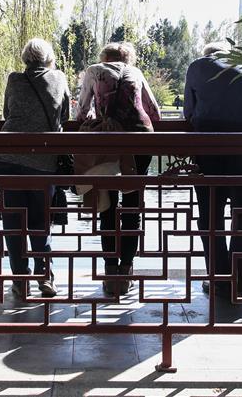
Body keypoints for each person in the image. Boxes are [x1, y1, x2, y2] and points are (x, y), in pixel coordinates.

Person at [76, 42, 160, 296]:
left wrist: (92, 118)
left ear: (104, 57)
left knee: (107, 206)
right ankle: (127, 270)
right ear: (128, 58)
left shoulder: (95, 71)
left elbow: (81, 111)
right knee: (133, 206)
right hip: (140, 143)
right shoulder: (136, 73)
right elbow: (155, 112)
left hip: (109, 141)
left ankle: (111, 272)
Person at [0, 38, 70, 300]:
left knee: (13, 222)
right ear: (48, 57)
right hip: (43, 161)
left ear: (25, 58)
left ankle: (20, 280)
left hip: (7, 159)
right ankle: (45, 277)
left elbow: (7, 113)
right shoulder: (59, 78)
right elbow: (65, 117)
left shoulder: (14, 79)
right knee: (40, 221)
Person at [183, 42, 242, 296]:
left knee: (209, 214)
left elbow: (188, 112)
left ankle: (218, 278)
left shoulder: (196, 67)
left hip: (208, 148)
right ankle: (239, 277)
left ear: (208, 55)